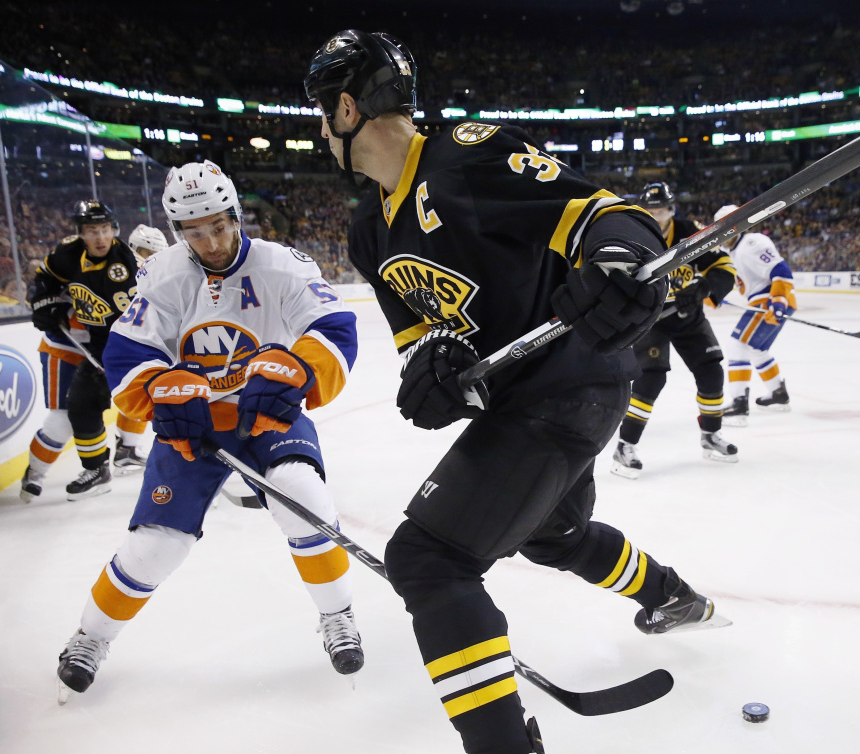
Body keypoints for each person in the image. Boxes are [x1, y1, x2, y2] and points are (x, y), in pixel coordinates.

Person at [305, 30, 727, 754]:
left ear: (346, 108)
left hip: (571, 381)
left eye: (321, 111)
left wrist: (621, 258)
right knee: (550, 535)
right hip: (529, 401)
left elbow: (601, 214)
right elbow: (425, 342)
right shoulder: (368, 229)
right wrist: (435, 377)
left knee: (427, 560)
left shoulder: (464, 157)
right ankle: (669, 594)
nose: (319, 128)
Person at [54, 160, 363, 702]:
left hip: (268, 413)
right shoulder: (162, 274)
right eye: (195, 232)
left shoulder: (281, 265)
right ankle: (91, 638)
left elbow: (334, 326)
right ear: (178, 231)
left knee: (303, 497)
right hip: (192, 424)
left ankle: (337, 615)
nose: (211, 242)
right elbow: (130, 350)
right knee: (155, 547)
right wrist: (159, 390)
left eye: (219, 226)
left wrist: (299, 369)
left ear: (236, 214)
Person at [22, 200, 149, 503]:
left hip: (134, 344)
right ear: (80, 233)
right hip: (97, 345)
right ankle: (96, 470)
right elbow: (45, 279)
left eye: (104, 230)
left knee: (159, 400)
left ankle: (196, 459)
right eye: (92, 231)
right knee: (80, 404)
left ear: (113, 230)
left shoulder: (128, 265)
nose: (100, 238)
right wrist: (45, 301)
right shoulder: (68, 254)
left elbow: (146, 314)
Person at [611, 183, 738, 477]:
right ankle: (625, 445)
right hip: (651, 319)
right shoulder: (632, 234)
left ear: (672, 209)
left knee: (711, 371)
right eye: (650, 211)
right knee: (651, 379)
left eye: (662, 211)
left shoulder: (689, 231)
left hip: (688, 317)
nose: (657, 217)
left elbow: (722, 264)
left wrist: (703, 287)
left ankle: (710, 435)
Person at [714, 204, 796, 425]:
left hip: (767, 301)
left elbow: (782, 271)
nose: (721, 236)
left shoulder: (752, 243)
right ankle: (778, 395)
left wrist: (777, 301)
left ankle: (739, 404)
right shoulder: (732, 251)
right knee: (757, 350)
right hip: (767, 301)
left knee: (737, 346)